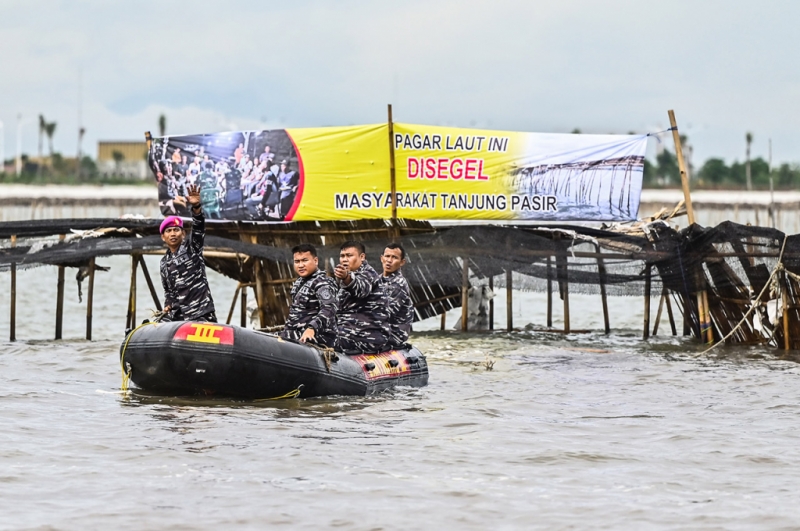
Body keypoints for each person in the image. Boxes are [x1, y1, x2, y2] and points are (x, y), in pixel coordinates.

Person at [159, 184, 217, 322]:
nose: (173, 233)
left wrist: (196, 208)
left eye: (176, 230)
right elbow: (168, 292)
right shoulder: (164, 263)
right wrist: (168, 305)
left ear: (183, 233)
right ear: (163, 237)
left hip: (200, 312)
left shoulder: (192, 249)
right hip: (178, 317)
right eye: (168, 231)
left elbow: (198, 228)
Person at [333, 240, 390, 354]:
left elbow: (360, 289)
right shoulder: (350, 277)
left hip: (366, 337)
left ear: (362, 257)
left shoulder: (368, 274)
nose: (344, 259)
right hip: (348, 335)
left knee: (321, 340)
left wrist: (346, 278)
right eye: (342, 256)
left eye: (349, 256)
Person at [280, 244, 338, 347]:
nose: (300, 265)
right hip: (295, 333)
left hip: (317, 336)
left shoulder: (322, 282)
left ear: (315, 261)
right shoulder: (299, 283)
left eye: (304, 260)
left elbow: (330, 308)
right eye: (297, 262)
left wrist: (312, 328)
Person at [380, 243, 413, 349]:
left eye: (394, 257)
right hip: (378, 330)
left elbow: (386, 314)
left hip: (394, 334)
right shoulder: (377, 280)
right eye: (387, 256)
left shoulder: (399, 283)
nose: (389, 260)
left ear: (402, 262)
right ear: (382, 258)